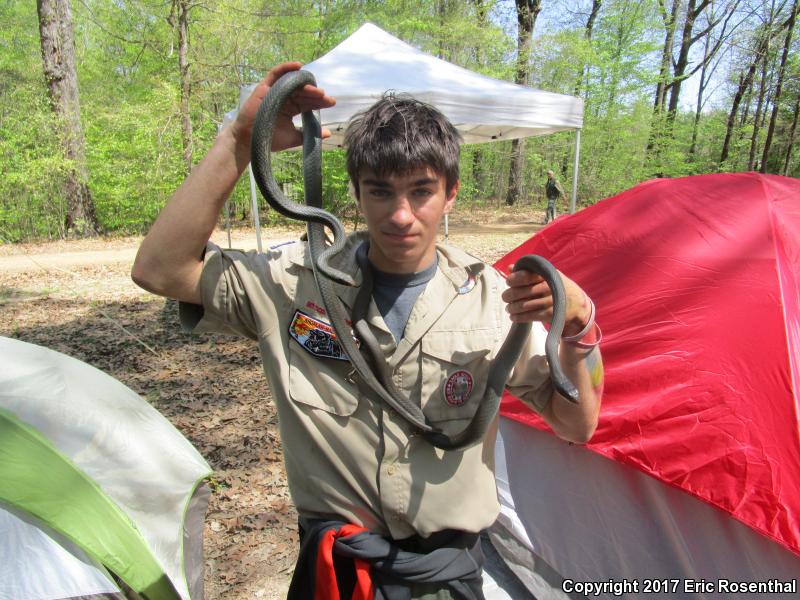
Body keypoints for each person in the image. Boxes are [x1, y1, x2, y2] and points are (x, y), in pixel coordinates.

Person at [132, 62, 603, 599]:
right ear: (356, 193)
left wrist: (580, 325)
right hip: (335, 576)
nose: (401, 215)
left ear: (450, 193)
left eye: (421, 191)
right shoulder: (294, 286)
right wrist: (242, 139)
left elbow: (576, 424)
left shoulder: (497, 302)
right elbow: (160, 270)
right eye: (380, 191)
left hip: (444, 581)